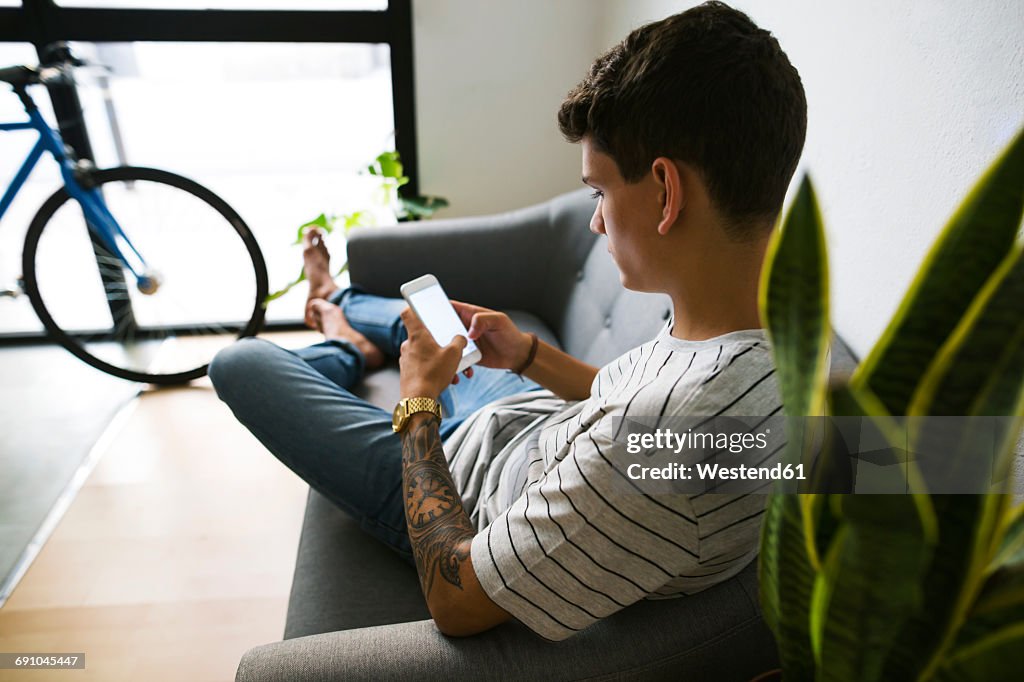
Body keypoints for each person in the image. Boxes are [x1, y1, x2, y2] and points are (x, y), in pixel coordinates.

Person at [210, 0, 806, 642]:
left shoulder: (668, 435)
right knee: (430, 328)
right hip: (529, 420)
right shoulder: (774, 335)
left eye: (599, 192)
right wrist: (526, 353)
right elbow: (651, 418)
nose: (596, 222)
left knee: (240, 361)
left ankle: (349, 347)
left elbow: (459, 600)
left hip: (456, 487)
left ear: (665, 192)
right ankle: (348, 311)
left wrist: (418, 408)